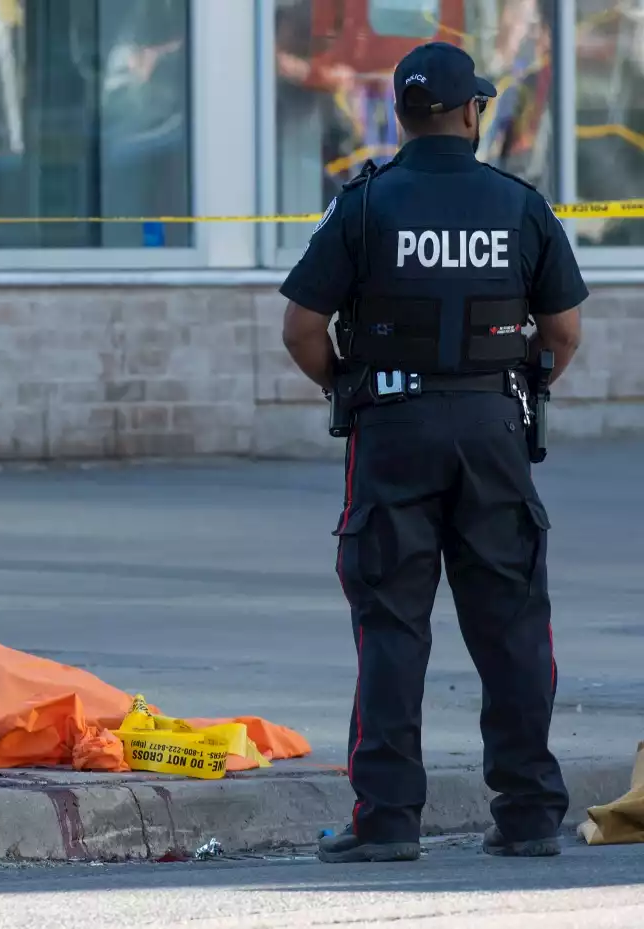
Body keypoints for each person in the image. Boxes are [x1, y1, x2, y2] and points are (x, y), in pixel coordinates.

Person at [279, 41, 585, 863]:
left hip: (393, 431)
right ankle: (527, 816)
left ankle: (385, 820)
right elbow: (562, 331)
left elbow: (302, 328)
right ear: (472, 113)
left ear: (402, 116)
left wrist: (349, 384)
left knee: (390, 625)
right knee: (514, 626)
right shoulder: (519, 205)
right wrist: (517, 382)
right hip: (492, 434)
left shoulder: (365, 207)